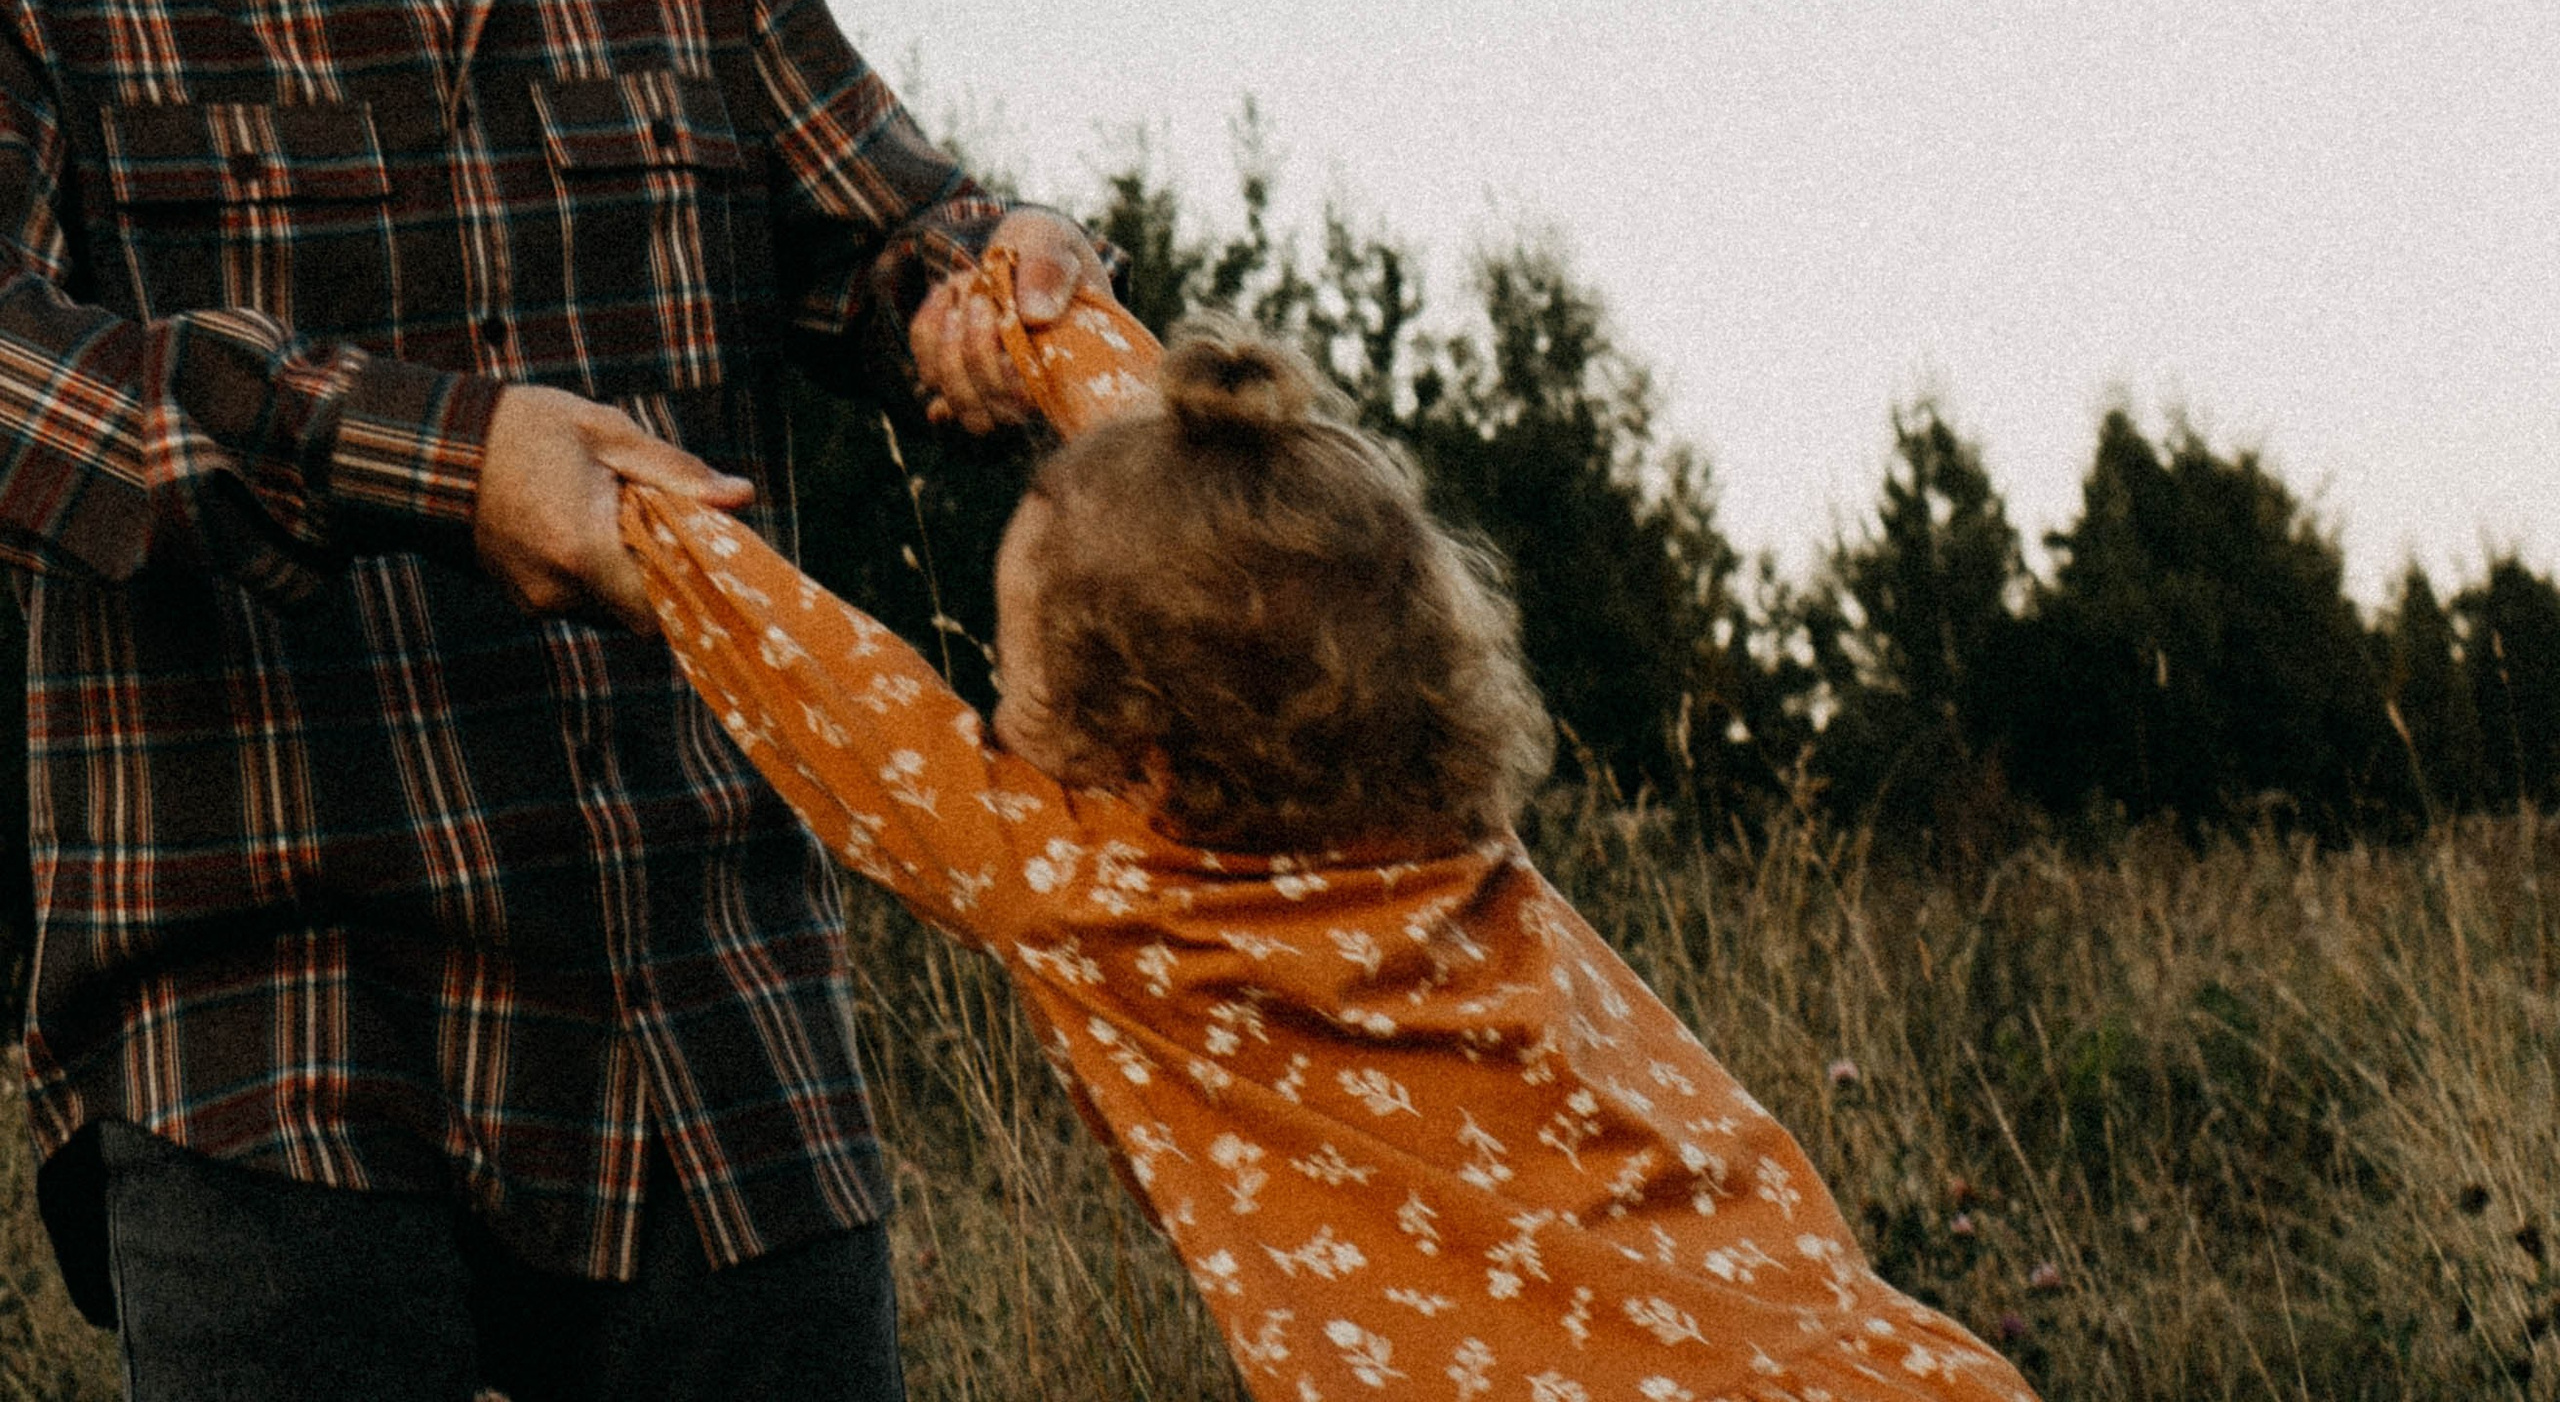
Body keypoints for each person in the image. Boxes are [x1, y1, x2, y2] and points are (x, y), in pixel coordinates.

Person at [0, 0, 1103, 1401]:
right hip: (276, 1059)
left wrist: (996, 291)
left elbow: (892, 242)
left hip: (723, 1049)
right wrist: (437, 455)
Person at [627, 272, 2042, 1402]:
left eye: (1014, 674)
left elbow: (838, 698)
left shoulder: (1098, 895)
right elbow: (1234, 527)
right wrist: (1037, 321)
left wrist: (644, 525)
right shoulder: (1445, 831)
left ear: (1137, 722)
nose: (994, 712)